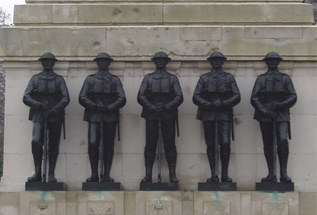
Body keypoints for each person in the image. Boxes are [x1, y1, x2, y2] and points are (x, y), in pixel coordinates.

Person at [193, 52, 240, 183]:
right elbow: (196, 96)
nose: (217, 62)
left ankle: (224, 174)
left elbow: (237, 95)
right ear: (211, 62)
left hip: (224, 113)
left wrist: (224, 103)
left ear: (223, 62)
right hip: (208, 114)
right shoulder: (204, 78)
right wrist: (209, 104)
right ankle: (213, 174)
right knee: (211, 145)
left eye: (219, 60)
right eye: (214, 60)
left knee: (225, 143)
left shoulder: (229, 77)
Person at [79, 53, 126, 182]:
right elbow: (82, 97)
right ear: (97, 63)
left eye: (105, 61)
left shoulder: (115, 80)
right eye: (101, 61)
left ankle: (106, 174)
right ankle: (94, 173)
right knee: (93, 144)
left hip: (110, 115)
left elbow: (122, 98)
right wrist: (94, 106)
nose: (103, 63)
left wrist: (109, 107)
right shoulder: (90, 79)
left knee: (108, 146)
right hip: (94, 115)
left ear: (109, 63)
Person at [23, 52, 70, 182]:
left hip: (55, 116)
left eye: (50, 61)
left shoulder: (59, 79)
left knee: (53, 145)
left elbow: (65, 98)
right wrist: (39, 105)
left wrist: (54, 110)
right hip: (39, 114)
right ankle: (37, 172)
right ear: (42, 63)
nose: (48, 63)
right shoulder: (35, 79)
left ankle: (51, 173)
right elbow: (26, 97)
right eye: (45, 61)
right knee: (36, 141)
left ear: (53, 63)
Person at [137, 52, 183, 183]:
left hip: (168, 114)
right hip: (152, 115)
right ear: (155, 62)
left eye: (163, 60)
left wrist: (168, 106)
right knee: (150, 145)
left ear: (167, 62)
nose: (161, 62)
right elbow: (141, 96)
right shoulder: (148, 78)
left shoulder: (172, 78)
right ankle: (148, 175)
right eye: (158, 60)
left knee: (170, 145)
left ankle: (172, 175)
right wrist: (151, 107)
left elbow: (179, 96)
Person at [251, 52, 297, 183]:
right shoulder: (261, 79)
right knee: (268, 144)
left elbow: (293, 96)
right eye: (270, 60)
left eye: (274, 60)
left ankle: (283, 173)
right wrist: (265, 111)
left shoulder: (285, 78)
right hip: (265, 115)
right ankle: (271, 173)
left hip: (281, 114)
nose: (272, 63)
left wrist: (280, 105)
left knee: (282, 141)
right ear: (266, 62)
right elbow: (254, 98)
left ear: (278, 62)